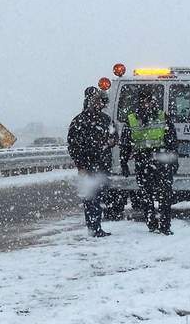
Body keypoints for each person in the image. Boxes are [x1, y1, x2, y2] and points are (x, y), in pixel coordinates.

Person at [120, 90, 178, 235]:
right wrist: (124, 162)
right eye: (144, 101)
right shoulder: (132, 119)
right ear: (139, 102)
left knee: (165, 195)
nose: (147, 104)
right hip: (143, 161)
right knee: (146, 195)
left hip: (161, 160)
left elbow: (172, 140)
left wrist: (173, 159)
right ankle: (151, 223)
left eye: (150, 101)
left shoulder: (162, 117)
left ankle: (165, 226)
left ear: (154, 102)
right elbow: (125, 143)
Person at [67, 86, 115, 237]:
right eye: (96, 101)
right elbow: (73, 145)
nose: (99, 105)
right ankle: (94, 227)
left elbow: (114, 137)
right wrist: (80, 165)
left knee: (98, 196)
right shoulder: (79, 121)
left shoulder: (105, 119)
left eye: (101, 102)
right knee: (92, 197)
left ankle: (95, 226)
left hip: (102, 165)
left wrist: (109, 143)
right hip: (89, 166)